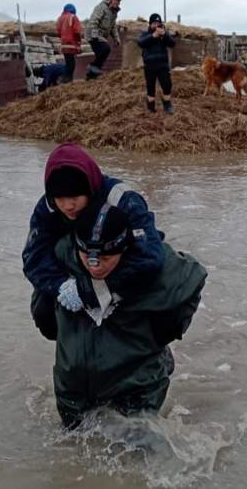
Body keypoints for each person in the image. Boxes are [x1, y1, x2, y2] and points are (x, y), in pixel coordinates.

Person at [50, 199, 207, 428]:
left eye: (105, 259)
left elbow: (192, 279)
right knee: (70, 450)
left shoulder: (152, 267)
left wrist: (162, 333)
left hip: (137, 385)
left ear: (124, 248)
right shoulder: (60, 259)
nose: (95, 266)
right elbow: (42, 306)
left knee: (142, 450)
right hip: (73, 388)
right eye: (87, 257)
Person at [23, 143, 166, 342]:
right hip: (75, 267)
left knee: (156, 305)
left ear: (89, 189)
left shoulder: (124, 200)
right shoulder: (48, 207)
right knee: (43, 311)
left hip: (121, 265)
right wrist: (62, 286)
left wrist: (93, 291)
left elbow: (150, 255)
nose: (68, 206)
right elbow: (33, 258)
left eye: (74, 196)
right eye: (60, 198)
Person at [137, 13, 176, 114]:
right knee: (150, 87)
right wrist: (153, 36)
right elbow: (140, 43)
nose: (156, 25)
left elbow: (172, 43)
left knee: (167, 85)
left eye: (158, 23)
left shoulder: (164, 34)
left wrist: (164, 35)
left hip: (163, 65)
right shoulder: (145, 34)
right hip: (149, 66)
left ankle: (167, 105)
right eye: (154, 23)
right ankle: (151, 107)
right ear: (150, 24)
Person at [84, 0, 122, 80]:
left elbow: (113, 27)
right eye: (115, 2)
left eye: (118, 3)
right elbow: (94, 20)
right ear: (111, 0)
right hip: (92, 34)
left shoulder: (114, 13)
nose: (116, 4)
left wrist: (117, 39)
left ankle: (91, 76)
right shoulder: (101, 7)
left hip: (100, 36)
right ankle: (92, 67)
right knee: (106, 48)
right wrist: (94, 36)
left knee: (101, 54)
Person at [56, 3, 83, 83]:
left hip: (64, 45)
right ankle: (66, 81)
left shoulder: (60, 18)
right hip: (72, 45)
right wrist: (78, 43)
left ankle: (65, 81)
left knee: (68, 63)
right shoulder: (73, 17)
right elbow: (77, 32)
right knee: (71, 65)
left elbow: (58, 32)